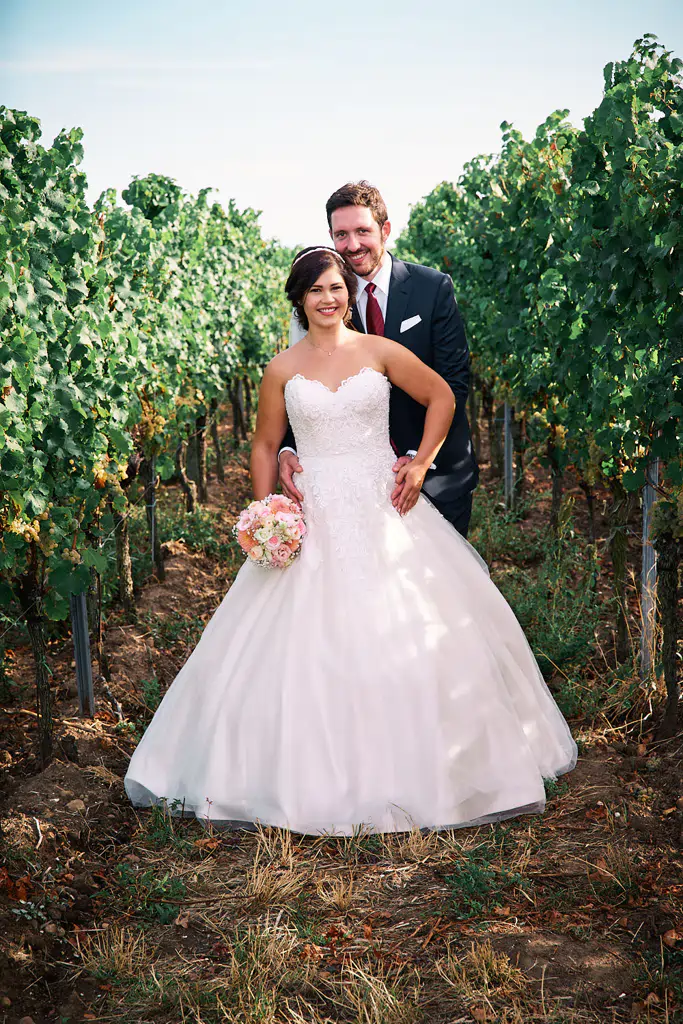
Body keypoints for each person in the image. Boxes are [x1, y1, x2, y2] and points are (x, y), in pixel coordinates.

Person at [123, 246, 577, 836]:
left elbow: (442, 397)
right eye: (315, 290)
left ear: (347, 292)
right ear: (300, 300)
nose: (329, 298)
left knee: (414, 627)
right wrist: (267, 509)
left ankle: (439, 770)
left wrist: (420, 466)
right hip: (314, 515)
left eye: (336, 287)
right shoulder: (281, 369)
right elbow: (264, 444)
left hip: (382, 505)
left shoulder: (381, 352)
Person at [279, 181, 478, 538]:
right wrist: (288, 449)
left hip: (434, 473)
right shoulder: (327, 298)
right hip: (348, 489)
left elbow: (453, 384)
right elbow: (302, 384)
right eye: (341, 234)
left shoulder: (432, 288)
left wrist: (420, 459)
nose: (352, 245)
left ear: (385, 230)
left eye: (362, 231)